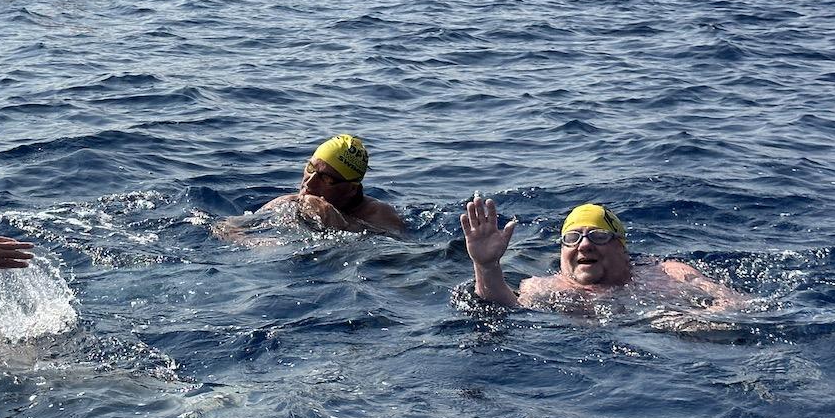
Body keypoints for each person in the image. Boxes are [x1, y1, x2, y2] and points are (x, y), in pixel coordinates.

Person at [460, 196, 746, 314]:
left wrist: (692, 323)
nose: (584, 246)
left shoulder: (670, 272)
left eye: (598, 236)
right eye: (572, 238)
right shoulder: (545, 289)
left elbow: (735, 303)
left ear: (622, 248)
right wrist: (486, 266)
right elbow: (504, 308)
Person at [257, 135, 405, 236]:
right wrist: (260, 244)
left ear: (351, 189)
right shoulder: (286, 203)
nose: (309, 182)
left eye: (326, 179)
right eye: (310, 168)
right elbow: (234, 227)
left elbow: (394, 255)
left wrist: (340, 224)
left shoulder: (379, 214)